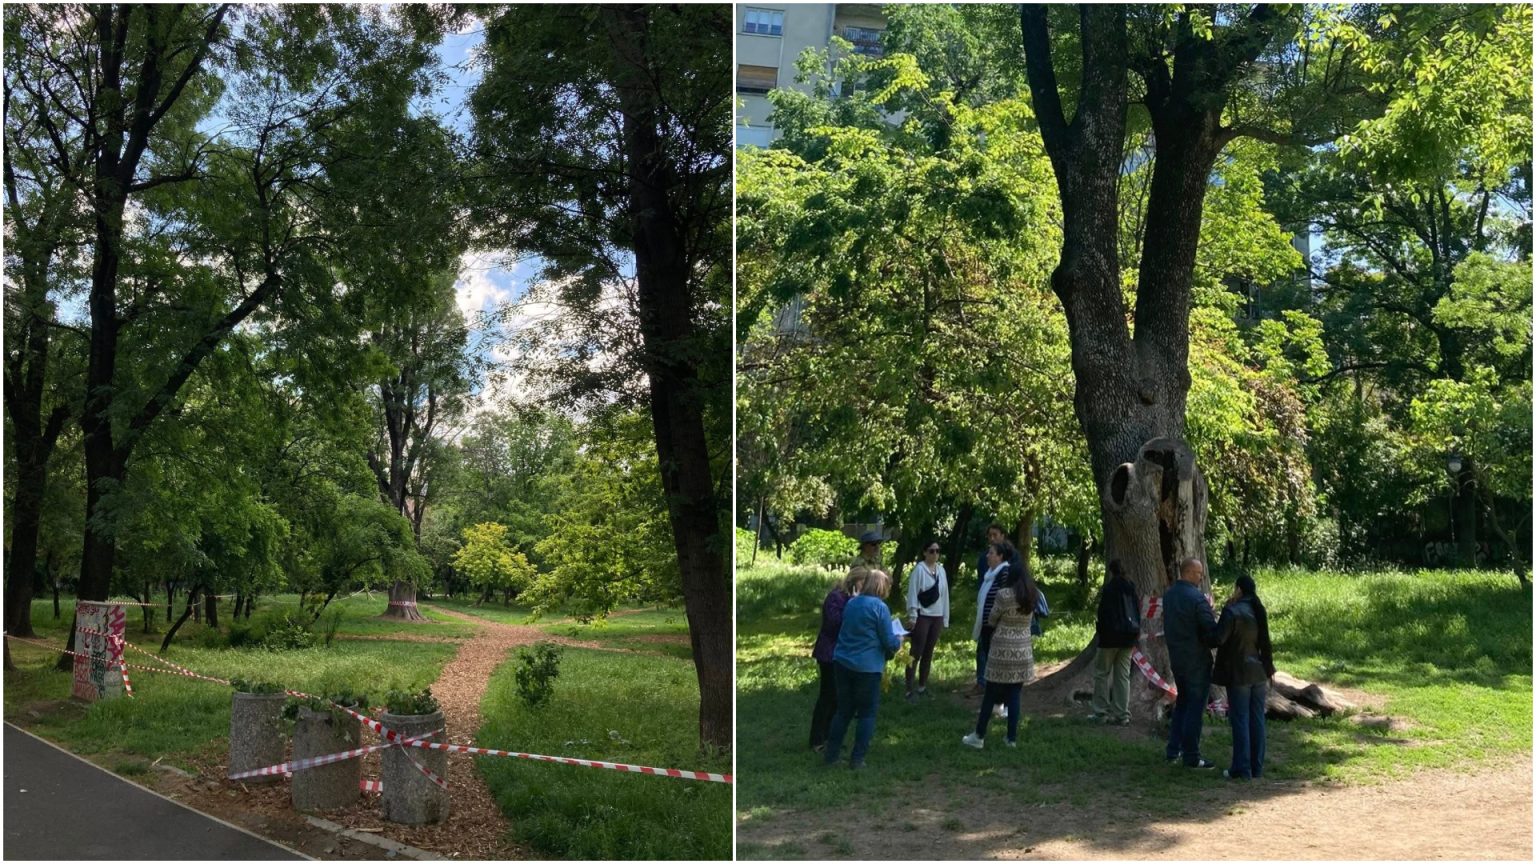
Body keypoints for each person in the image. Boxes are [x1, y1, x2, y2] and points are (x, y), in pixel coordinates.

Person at [823, 569, 902, 769]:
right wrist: (899, 640)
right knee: (867, 714)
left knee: (843, 712)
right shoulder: (880, 608)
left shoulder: (851, 603)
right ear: (881, 587)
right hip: (867, 668)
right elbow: (888, 641)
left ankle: (831, 756)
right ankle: (857, 759)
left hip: (842, 662)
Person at [962, 540, 1036, 749]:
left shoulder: (1004, 595)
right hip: (1023, 650)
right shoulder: (1031, 596)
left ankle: (979, 735)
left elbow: (992, 619)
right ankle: (1011, 738)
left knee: (991, 694)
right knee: (1014, 695)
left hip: (1002, 650)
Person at [1213, 573, 1276, 779]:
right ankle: (1256, 767)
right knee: (1257, 719)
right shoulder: (1258, 610)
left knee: (1240, 719)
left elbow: (1218, 638)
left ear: (1239, 589)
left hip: (1238, 673)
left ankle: (1241, 768)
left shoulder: (1232, 611)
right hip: (1259, 671)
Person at [1163, 557, 1220, 768]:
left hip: (1177, 659)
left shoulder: (1169, 596)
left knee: (1182, 705)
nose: (1201, 576)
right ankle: (1192, 755)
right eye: (1198, 573)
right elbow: (1210, 631)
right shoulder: (1197, 599)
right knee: (1195, 708)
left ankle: (1173, 749)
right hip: (1196, 661)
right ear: (1187, 573)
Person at [1088, 559, 1140, 726]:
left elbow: (1103, 613)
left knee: (1102, 673)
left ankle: (1100, 712)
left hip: (1110, 638)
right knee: (1123, 675)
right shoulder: (1131, 588)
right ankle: (1122, 713)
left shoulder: (1109, 589)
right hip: (1128, 637)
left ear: (1111, 571)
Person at [969, 524, 1018, 696]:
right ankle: (982, 683)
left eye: (995, 535)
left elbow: (1007, 593)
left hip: (998, 620)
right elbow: (983, 581)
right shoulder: (985, 559)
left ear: (1003, 536)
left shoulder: (1009, 563)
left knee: (996, 656)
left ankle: (998, 691)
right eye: (989, 535)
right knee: (983, 650)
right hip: (986, 618)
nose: (991, 538)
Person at [809, 571, 854, 751]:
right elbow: (835, 623)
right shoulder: (835, 597)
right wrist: (852, 604)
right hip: (828, 654)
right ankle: (817, 739)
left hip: (842, 654)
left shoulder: (851, 599)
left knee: (838, 699)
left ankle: (829, 737)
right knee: (827, 697)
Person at [904, 541, 949, 703]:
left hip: (937, 616)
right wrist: (913, 615)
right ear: (924, 552)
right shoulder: (919, 570)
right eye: (931, 551)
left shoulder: (941, 571)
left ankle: (922, 686)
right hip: (922, 615)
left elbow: (945, 596)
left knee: (929, 652)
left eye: (938, 551)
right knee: (916, 651)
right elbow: (913, 593)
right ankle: (909, 689)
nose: (935, 554)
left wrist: (945, 617)